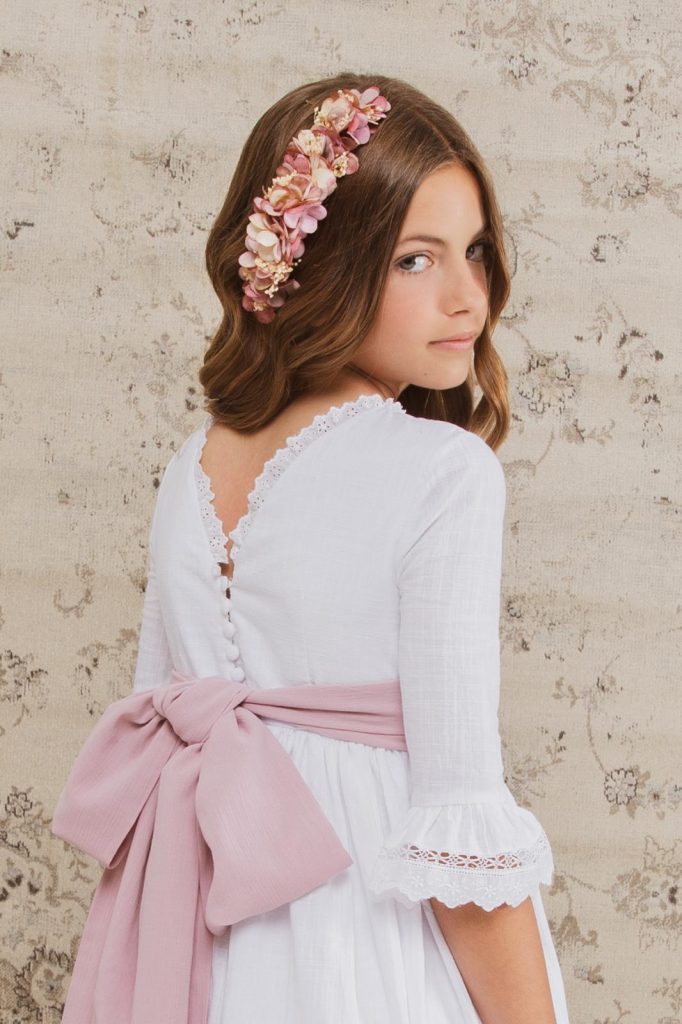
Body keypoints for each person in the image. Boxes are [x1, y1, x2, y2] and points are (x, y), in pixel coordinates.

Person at [55, 74, 571, 1023]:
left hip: (197, 947)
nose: (468, 296)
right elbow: (459, 823)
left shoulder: (192, 466)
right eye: (414, 260)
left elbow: (149, 751)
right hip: (367, 944)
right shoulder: (444, 471)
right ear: (315, 266)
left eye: (475, 250)